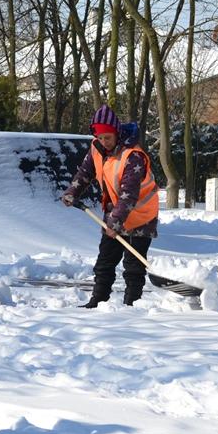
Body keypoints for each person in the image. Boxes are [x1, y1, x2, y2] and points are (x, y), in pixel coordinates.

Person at [62, 105, 159, 307]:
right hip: (116, 211)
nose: (104, 141)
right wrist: (73, 191)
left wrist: (115, 222)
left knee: (133, 266)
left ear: (117, 133)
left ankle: (131, 304)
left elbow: (129, 194)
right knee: (105, 260)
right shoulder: (97, 149)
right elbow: (85, 172)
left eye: (108, 137)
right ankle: (98, 300)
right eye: (100, 137)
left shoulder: (133, 156)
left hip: (141, 214)